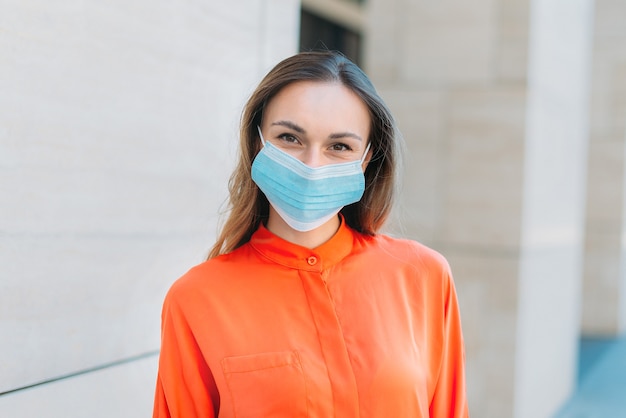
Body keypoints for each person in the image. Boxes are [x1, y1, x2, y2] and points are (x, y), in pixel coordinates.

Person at [153, 51, 468, 418]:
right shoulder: (196, 298)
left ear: (366, 159)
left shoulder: (424, 276)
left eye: (339, 146)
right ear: (258, 143)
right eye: (289, 137)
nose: (312, 165)